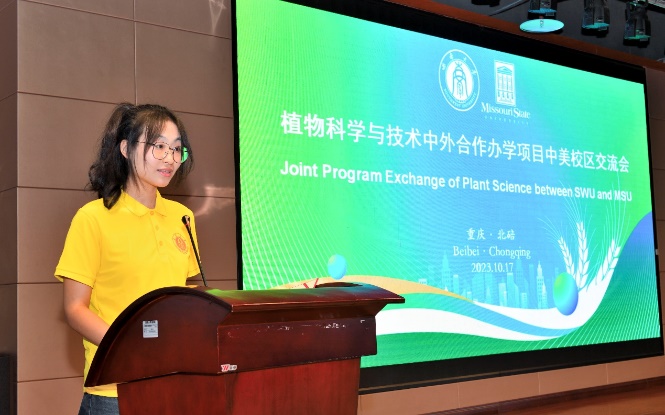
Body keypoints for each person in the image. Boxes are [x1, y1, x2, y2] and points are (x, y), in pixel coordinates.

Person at [54, 103, 201, 415]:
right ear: (126, 148)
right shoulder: (93, 218)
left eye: (177, 149)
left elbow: (184, 294)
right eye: (159, 146)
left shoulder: (183, 217)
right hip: (114, 391)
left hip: (172, 383)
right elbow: (75, 308)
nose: (170, 158)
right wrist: (132, 349)